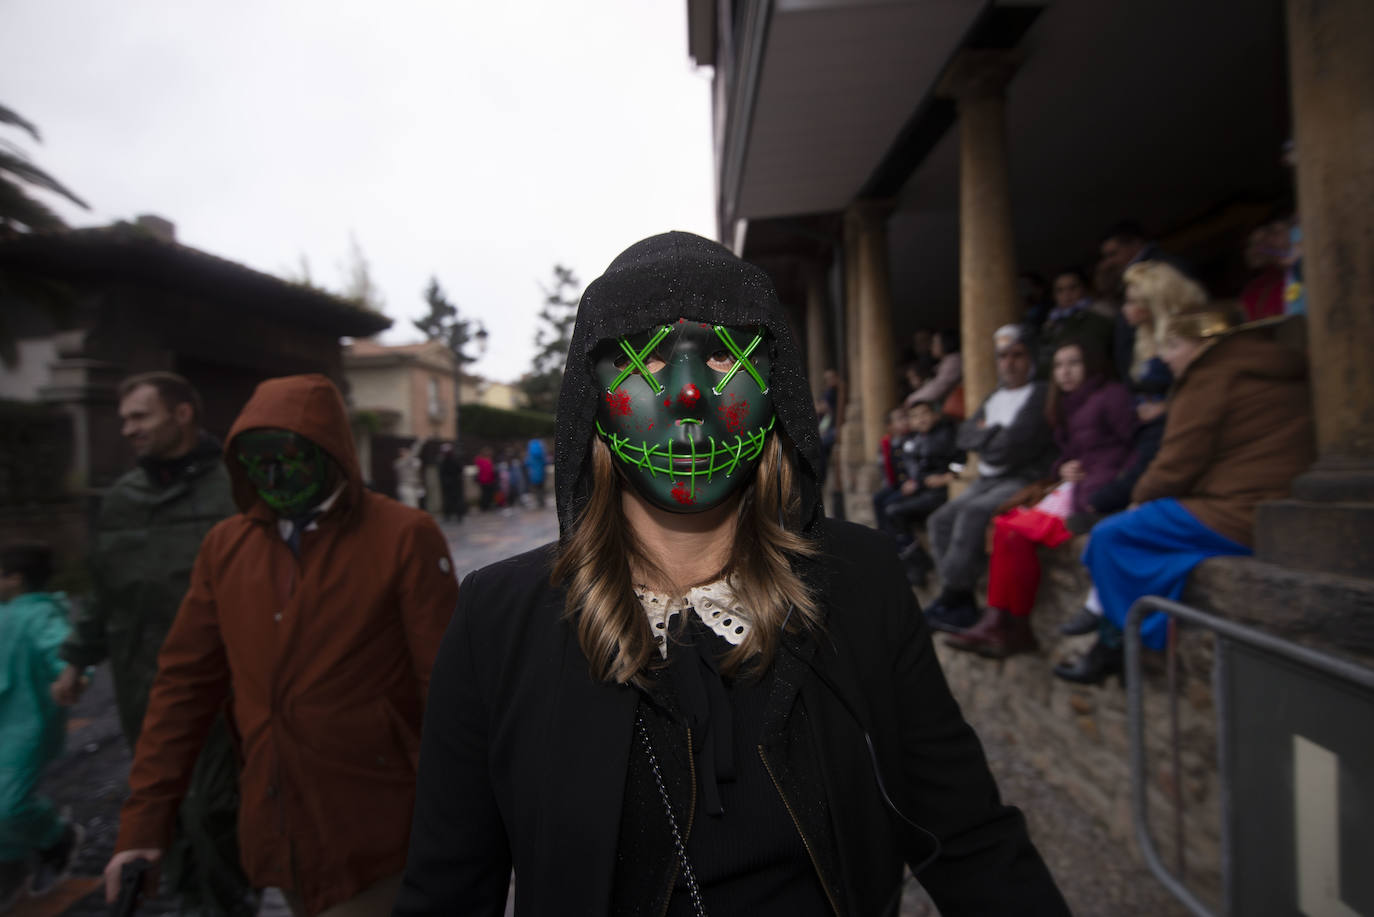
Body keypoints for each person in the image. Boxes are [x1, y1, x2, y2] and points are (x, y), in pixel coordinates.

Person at [393, 232, 1068, 916]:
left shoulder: (862, 582)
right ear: (589, 396)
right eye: (647, 355)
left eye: (723, 351)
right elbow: (446, 888)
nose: (689, 391)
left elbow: (971, 840)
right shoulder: (499, 618)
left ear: (777, 383)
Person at [102, 374, 460, 917]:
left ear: (329, 453)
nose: (272, 474)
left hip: (378, 828)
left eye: (286, 456)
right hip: (279, 828)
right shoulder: (227, 547)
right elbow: (181, 687)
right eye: (255, 459)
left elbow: (449, 687)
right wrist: (143, 824)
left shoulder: (401, 535)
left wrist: (467, 821)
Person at [50, 372, 253, 917]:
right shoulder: (123, 499)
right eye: (124, 419)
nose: (128, 429)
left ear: (182, 413)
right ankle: (192, 899)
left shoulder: (235, 489)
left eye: (140, 416)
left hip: (221, 689)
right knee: (163, 810)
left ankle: (224, 904)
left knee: (214, 809)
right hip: (141, 686)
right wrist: (76, 659)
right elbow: (101, 587)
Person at [1056, 308, 1315, 684]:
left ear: (1205, 344)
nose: (1165, 356)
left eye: (1174, 345)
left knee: (1110, 536)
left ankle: (1115, 643)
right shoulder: (1276, 368)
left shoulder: (1210, 378)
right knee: (1174, 555)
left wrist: (1138, 500)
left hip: (1236, 513)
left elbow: (1176, 463)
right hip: (1276, 513)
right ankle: (1118, 643)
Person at [945, 342, 1135, 658]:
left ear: (1092, 364)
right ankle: (1000, 620)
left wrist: (1120, 489)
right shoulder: (1063, 403)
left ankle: (1013, 625)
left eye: (1074, 363)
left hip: (1098, 494)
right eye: (1059, 365)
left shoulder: (1111, 396)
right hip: (1074, 488)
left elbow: (1134, 446)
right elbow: (1065, 456)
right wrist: (1065, 467)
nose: (1066, 372)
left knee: (1014, 530)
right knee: (1005, 526)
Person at [925, 325, 1057, 634]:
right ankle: (960, 597)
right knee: (940, 520)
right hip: (986, 480)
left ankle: (953, 597)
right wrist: (991, 435)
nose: (1009, 363)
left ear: (1030, 358)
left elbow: (1011, 449)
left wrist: (986, 434)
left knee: (972, 513)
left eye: (1017, 355)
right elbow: (964, 435)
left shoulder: (1039, 394)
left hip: (1022, 477)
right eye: (1003, 357)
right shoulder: (995, 396)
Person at [0, 543, 82, 909]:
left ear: (14, 579)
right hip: (8, 721)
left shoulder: (40, 615)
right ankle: (10, 862)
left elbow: (62, 652)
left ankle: (55, 836)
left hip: (29, 725)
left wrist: (71, 677)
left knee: (10, 803)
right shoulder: (8, 613)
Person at [881, 401, 963, 586]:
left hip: (939, 492)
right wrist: (914, 481)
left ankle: (917, 562)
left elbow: (962, 459)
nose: (921, 419)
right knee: (887, 506)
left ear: (935, 415)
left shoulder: (947, 434)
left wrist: (949, 475)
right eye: (915, 416)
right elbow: (913, 466)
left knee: (895, 511)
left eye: (924, 414)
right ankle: (907, 555)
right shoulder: (915, 438)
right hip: (922, 490)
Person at [1036, 269, 1114, 380]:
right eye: (1060, 290)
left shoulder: (1097, 318)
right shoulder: (1051, 324)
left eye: (1072, 288)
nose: (1066, 294)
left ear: (1085, 289)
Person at [904, 330, 962, 409]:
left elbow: (939, 386)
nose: (931, 347)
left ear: (945, 343)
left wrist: (912, 398)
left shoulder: (954, 360)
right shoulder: (944, 362)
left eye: (934, 343)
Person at [437, 444, 466, 522]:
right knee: (454, 500)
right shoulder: (454, 459)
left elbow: (441, 473)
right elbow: (460, 469)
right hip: (454, 483)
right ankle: (455, 515)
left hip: (450, 483)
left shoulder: (444, 461)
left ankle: (450, 515)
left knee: (450, 500)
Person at [394, 442, 425, 509]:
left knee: (414, 506)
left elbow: (417, 472)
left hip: (414, 487)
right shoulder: (399, 463)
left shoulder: (411, 463)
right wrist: (420, 442)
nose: (406, 454)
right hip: (405, 487)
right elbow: (414, 453)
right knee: (409, 507)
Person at [525, 438, 548, 509]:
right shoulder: (541, 455)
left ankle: (539, 502)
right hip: (541, 474)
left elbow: (526, 463)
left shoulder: (530, 456)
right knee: (541, 488)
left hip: (533, 475)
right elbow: (545, 462)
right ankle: (542, 502)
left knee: (536, 489)